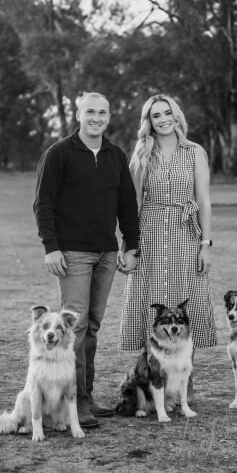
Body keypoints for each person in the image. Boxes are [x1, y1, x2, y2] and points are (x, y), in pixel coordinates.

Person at [34, 92, 140, 428]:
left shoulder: (115, 155)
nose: (96, 117)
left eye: (102, 112)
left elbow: (127, 202)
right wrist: (51, 247)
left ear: (109, 117)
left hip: (107, 253)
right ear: (78, 115)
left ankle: (86, 396)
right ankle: (75, 404)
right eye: (90, 111)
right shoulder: (59, 153)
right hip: (72, 253)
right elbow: (43, 203)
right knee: (75, 328)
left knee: (91, 327)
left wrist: (131, 245)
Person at [118, 94, 217, 401]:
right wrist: (129, 245)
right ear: (148, 121)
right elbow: (133, 202)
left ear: (176, 116)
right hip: (149, 233)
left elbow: (204, 200)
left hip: (186, 235)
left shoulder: (194, 151)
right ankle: (154, 381)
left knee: (188, 303)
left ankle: (185, 383)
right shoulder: (142, 152)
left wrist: (206, 244)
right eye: (155, 115)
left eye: (167, 113)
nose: (163, 120)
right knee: (151, 300)